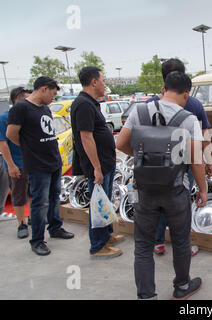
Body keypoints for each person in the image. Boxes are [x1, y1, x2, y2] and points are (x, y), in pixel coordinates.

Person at [117, 71, 206, 300]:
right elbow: (196, 159)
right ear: (186, 93)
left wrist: (142, 158)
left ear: (164, 89)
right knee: (180, 241)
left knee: (143, 245)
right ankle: (182, 286)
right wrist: (203, 190)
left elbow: (121, 143)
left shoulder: (138, 111)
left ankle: (146, 296)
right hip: (176, 190)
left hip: (145, 189)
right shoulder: (188, 119)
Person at [146, 58, 212, 256]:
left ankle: (158, 242)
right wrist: (208, 162)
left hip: (154, 167)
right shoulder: (193, 104)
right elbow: (205, 138)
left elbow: (125, 142)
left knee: (157, 204)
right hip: (184, 167)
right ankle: (182, 245)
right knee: (182, 205)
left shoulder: (148, 106)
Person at [6, 76, 74, 256]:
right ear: (43, 89)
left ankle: (55, 227)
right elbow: (11, 134)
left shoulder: (44, 108)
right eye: (52, 93)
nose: (53, 98)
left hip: (53, 161)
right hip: (37, 165)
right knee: (39, 202)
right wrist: (28, 147)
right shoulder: (21, 108)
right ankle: (37, 240)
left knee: (54, 197)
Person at [70, 66, 124, 259]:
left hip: (104, 163)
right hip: (97, 166)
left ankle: (107, 235)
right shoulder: (83, 104)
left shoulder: (91, 103)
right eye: (103, 80)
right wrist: (97, 168)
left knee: (105, 201)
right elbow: (86, 138)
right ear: (94, 82)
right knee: (98, 204)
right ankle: (98, 245)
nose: (104, 84)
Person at [0, 87, 32, 238]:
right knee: (19, 196)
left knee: (32, 193)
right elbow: (3, 143)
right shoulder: (5, 118)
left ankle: (33, 218)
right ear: (17, 100)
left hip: (32, 162)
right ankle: (21, 224)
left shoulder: (28, 115)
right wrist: (11, 165)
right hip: (17, 164)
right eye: (27, 99)